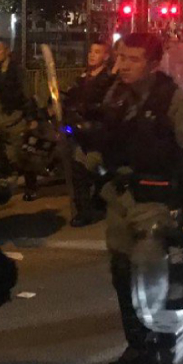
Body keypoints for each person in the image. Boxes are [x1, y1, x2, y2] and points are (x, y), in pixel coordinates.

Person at [95, 33, 183, 364]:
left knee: (154, 276)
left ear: (152, 64)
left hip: (159, 199)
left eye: (133, 59)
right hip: (122, 197)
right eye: (120, 57)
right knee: (123, 276)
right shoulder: (116, 94)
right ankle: (138, 345)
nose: (123, 65)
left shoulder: (172, 99)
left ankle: (166, 339)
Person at [63, 40, 117, 227]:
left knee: (97, 170)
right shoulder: (82, 78)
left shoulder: (109, 79)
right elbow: (69, 98)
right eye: (91, 51)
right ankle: (84, 211)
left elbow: (106, 105)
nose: (92, 55)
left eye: (97, 52)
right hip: (80, 134)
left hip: (98, 135)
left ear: (106, 56)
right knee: (78, 169)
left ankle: (100, 201)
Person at [0, 37, 38, 200]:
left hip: (17, 116)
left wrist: (31, 117)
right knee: (4, 153)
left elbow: (27, 93)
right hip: (3, 117)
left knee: (21, 153)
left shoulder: (17, 70)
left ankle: (31, 186)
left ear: (7, 51)